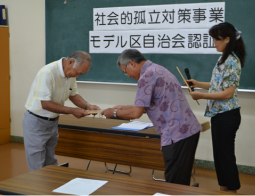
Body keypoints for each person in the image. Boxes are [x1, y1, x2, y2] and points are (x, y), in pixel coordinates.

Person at [101, 49, 202, 186]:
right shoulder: (157, 69)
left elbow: (136, 113)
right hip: (188, 131)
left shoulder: (146, 77)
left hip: (176, 134)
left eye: (125, 71)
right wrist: (123, 108)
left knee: (174, 185)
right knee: (181, 180)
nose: (128, 75)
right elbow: (154, 103)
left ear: (131, 63)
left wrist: (112, 113)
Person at [187, 22, 246, 193]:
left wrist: (201, 95)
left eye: (216, 39)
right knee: (220, 157)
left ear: (227, 39)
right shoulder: (223, 59)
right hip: (220, 115)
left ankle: (232, 190)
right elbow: (216, 86)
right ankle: (223, 189)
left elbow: (228, 93)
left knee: (225, 157)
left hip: (227, 115)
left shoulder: (232, 61)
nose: (214, 42)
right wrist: (197, 84)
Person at [23, 50, 100, 171]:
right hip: (36, 122)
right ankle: (38, 189)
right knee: (37, 166)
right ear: (70, 62)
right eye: (78, 73)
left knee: (51, 163)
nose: (78, 76)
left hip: (53, 122)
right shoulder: (47, 72)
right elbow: (46, 104)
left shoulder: (70, 74)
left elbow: (73, 95)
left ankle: (50, 189)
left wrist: (87, 106)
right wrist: (72, 111)